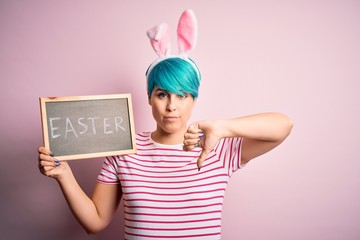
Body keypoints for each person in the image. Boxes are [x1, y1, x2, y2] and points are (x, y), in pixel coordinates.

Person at [38, 9, 293, 240]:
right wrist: (64, 175)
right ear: (149, 97)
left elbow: (283, 125)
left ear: (194, 100)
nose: (172, 106)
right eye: (162, 94)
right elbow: (95, 222)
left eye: (182, 95)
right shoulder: (124, 147)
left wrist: (221, 127)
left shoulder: (217, 146)